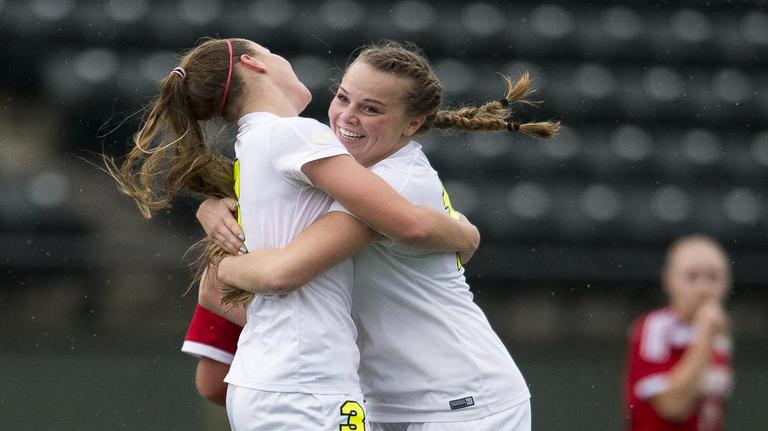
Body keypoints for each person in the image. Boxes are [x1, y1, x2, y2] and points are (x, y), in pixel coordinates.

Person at [105, 38, 479, 430]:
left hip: (272, 376)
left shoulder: (250, 145)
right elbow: (408, 222)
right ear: (254, 63)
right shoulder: (296, 135)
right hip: (306, 380)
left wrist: (213, 214)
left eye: (368, 107)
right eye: (274, 52)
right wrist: (465, 234)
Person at [201, 41, 560, 431]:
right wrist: (216, 207)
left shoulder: (393, 183)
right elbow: (217, 295)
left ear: (412, 124)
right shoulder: (332, 172)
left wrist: (227, 264)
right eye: (343, 98)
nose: (346, 118)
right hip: (380, 403)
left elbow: (280, 272)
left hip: (462, 403)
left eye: (371, 109)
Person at [624, 234, 733, 431]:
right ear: (669, 281)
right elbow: (673, 407)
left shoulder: (719, 333)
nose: (704, 288)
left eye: (713, 277)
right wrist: (704, 337)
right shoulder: (655, 328)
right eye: (692, 277)